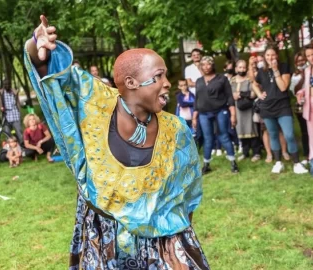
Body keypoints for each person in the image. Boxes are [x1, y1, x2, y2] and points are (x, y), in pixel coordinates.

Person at [24, 15, 209, 269]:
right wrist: (37, 46)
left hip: (162, 242)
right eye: (158, 76)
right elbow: (55, 76)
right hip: (103, 237)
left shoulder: (177, 131)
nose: (167, 83)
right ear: (131, 82)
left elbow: (187, 194)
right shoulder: (95, 101)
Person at [252, 45, 307, 174]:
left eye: (272, 55)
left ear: (277, 55)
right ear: (264, 57)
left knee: (289, 135)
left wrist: (276, 70)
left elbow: (283, 87)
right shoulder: (261, 71)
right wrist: (259, 94)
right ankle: (278, 162)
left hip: (283, 106)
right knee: (273, 134)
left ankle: (296, 163)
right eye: (267, 55)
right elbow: (254, 84)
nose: (270, 58)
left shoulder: (284, 67)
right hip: (267, 108)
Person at [192, 56, 239, 174]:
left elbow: (230, 97)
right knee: (208, 138)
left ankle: (233, 162)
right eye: (203, 65)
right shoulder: (199, 81)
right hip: (203, 113)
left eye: (208, 64)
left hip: (220, 111)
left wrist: (233, 114)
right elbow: (197, 100)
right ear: (201, 67)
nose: (206, 67)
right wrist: (194, 117)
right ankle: (206, 164)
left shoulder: (222, 79)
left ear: (212, 65)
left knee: (223, 135)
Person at [230, 60, 261, 162]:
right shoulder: (232, 80)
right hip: (238, 110)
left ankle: (256, 153)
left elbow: (253, 94)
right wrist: (233, 96)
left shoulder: (249, 79)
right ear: (236, 69)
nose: (242, 69)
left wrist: (241, 94)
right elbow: (230, 94)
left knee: (252, 129)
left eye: (244, 67)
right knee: (241, 129)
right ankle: (245, 152)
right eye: (240, 67)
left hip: (249, 108)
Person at [290, 51, 309, 164]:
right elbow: (294, 91)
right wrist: (302, 77)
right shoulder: (295, 75)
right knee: (304, 130)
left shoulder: (310, 70)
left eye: (303, 59)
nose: (301, 62)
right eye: (299, 60)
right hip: (300, 105)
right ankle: (307, 152)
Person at [297, 44, 313, 174]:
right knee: (311, 135)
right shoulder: (307, 70)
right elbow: (308, 86)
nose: (310, 58)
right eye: (308, 56)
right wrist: (301, 92)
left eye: (312, 54)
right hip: (309, 106)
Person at [0, 79, 23, 144]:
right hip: (6, 115)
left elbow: (18, 102)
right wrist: (1, 107)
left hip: (15, 114)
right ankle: (10, 148)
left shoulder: (14, 92)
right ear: (3, 85)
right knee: (7, 132)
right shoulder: (1, 92)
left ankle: (23, 145)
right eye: (5, 84)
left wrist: (19, 110)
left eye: (8, 84)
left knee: (19, 131)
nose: (7, 85)